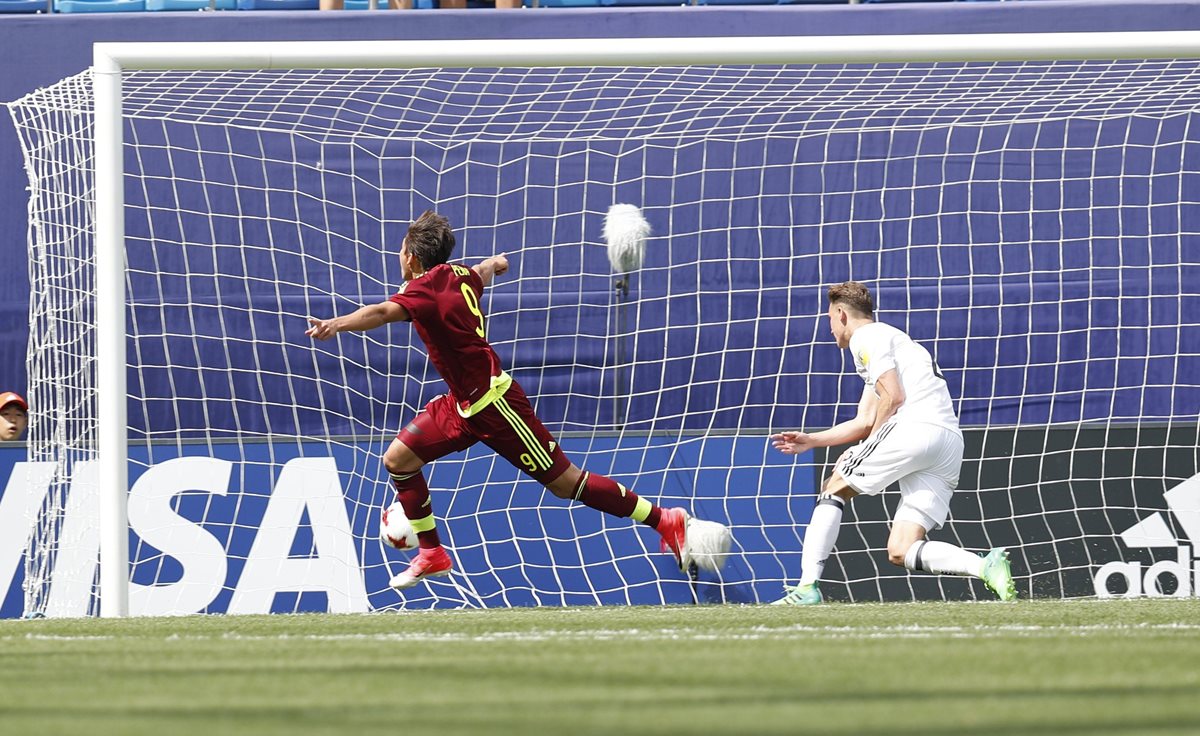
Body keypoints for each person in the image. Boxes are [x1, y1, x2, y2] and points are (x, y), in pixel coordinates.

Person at [306, 210, 695, 590]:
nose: (398, 257)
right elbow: (481, 273)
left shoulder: (420, 291)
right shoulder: (458, 275)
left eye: (401, 250)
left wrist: (334, 325)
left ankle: (664, 520)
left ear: (412, 256)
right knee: (398, 460)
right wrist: (495, 261)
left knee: (565, 483)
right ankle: (431, 553)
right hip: (461, 405)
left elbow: (380, 311)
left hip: (496, 406)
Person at [769, 281, 1015, 605]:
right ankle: (985, 565)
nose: (829, 329)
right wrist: (812, 440)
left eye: (829, 319)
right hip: (948, 443)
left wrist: (867, 446)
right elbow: (865, 420)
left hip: (914, 428)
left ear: (841, 314)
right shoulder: (896, 343)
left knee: (834, 484)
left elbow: (893, 397)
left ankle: (806, 587)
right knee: (901, 549)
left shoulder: (865, 337)